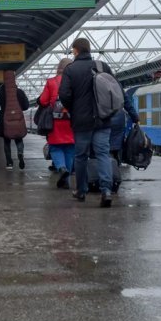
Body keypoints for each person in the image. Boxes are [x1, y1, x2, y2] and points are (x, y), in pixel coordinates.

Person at [59, 37, 120, 207]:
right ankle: (106, 190)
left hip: (82, 121)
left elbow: (64, 95)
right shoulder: (102, 66)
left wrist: (73, 108)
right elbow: (116, 90)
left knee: (81, 156)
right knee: (102, 154)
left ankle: (81, 190)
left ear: (76, 50)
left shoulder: (71, 70)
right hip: (103, 119)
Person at [39, 58, 76, 188]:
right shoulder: (75, 82)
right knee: (70, 148)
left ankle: (61, 168)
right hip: (72, 120)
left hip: (55, 121)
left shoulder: (51, 82)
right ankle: (66, 176)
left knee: (55, 146)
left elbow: (43, 101)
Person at [0, 71, 30, 170]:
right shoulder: (19, 92)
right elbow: (26, 105)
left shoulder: (1, 93)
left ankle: (9, 163)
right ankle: (20, 153)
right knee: (19, 139)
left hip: (5, 122)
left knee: (7, 142)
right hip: (18, 120)